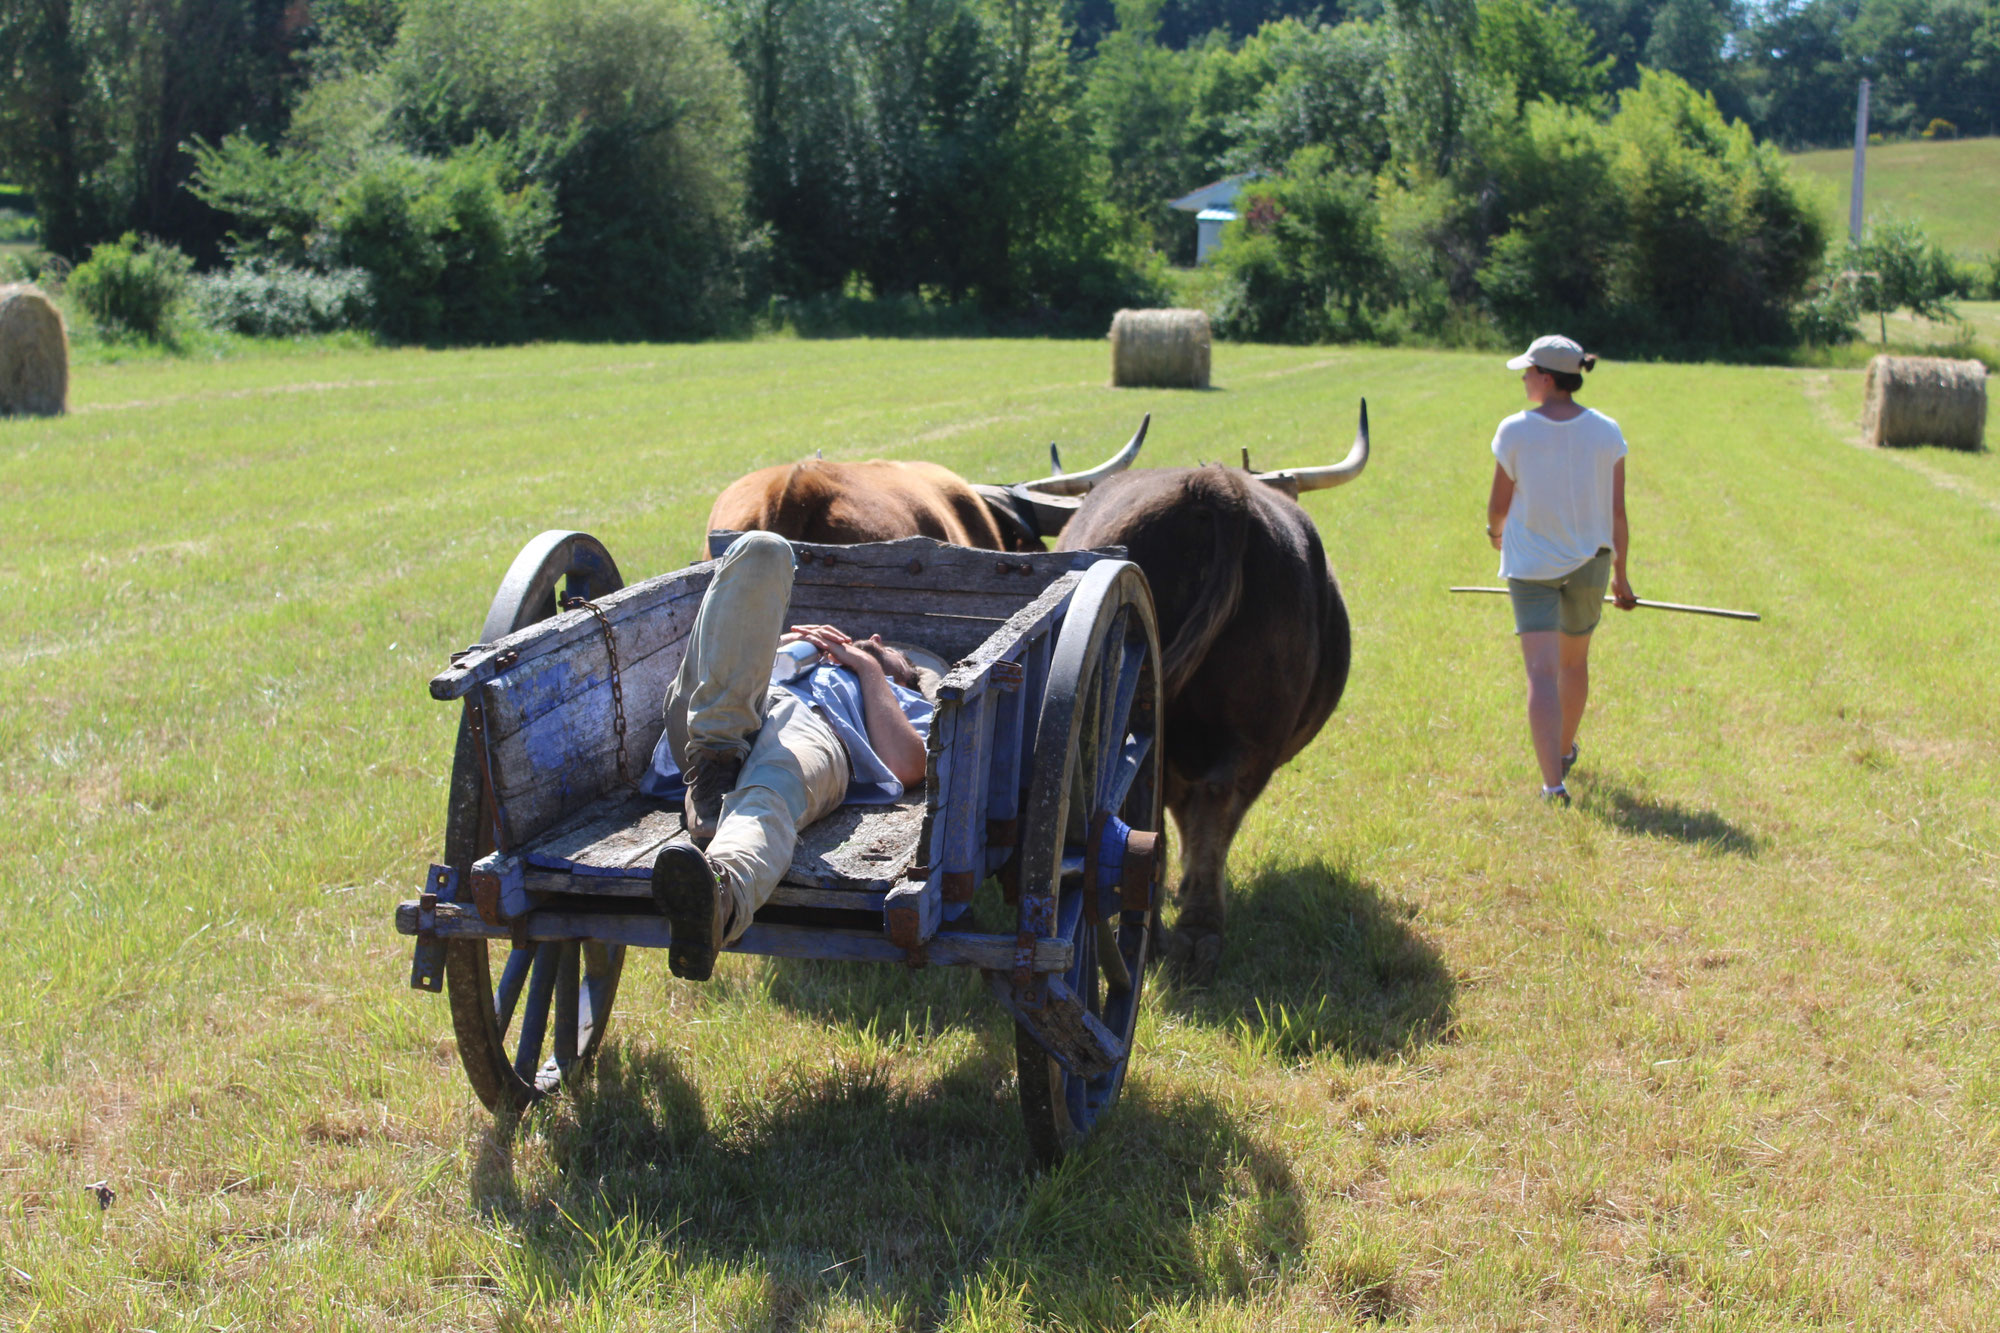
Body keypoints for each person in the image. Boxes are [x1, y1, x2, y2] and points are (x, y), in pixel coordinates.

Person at [641, 530, 937, 980]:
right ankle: (718, 762)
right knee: (766, 548)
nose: (873, 638)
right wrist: (774, 643)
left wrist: (872, 667)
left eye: (893, 650)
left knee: (773, 781)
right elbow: (721, 659)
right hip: (716, 715)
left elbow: (908, 766)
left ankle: (721, 898)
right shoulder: (796, 653)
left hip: (812, 731)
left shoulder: (902, 697)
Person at [1484, 334, 1637, 806]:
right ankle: (1565, 749)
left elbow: (1497, 510)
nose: (1524, 378)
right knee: (1573, 663)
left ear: (1547, 379)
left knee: (1542, 673)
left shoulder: (1514, 430)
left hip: (1531, 567)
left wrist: (1495, 537)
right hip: (1592, 562)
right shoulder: (1608, 431)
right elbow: (1617, 514)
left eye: (1528, 372)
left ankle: (1553, 785)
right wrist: (1622, 577)